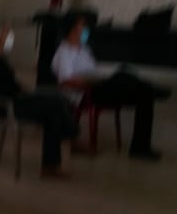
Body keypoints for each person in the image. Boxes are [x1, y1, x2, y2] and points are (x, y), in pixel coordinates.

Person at [52, 15, 168, 161]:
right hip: (86, 93)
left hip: (99, 86)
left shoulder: (84, 50)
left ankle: (140, 148)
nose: (86, 29)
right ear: (73, 29)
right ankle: (151, 88)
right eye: (83, 26)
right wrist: (91, 82)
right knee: (122, 75)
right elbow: (65, 81)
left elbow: (93, 71)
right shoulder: (64, 52)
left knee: (143, 93)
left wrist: (100, 79)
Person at [0, 22, 79, 178]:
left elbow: (10, 83)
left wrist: (22, 89)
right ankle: (71, 137)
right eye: (6, 35)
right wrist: (17, 90)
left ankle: (52, 163)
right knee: (55, 105)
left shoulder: (1, 59)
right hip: (6, 106)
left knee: (58, 102)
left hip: (17, 100)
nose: (10, 39)